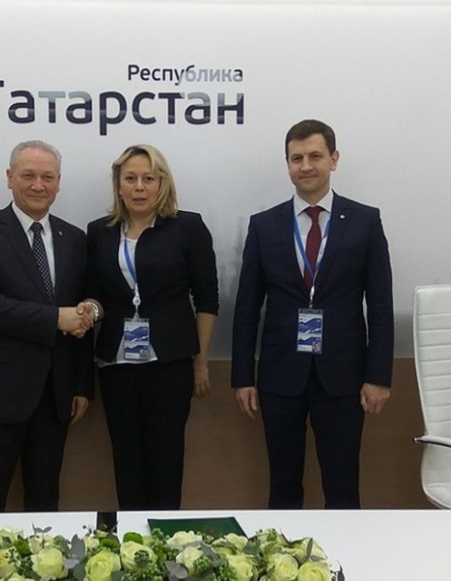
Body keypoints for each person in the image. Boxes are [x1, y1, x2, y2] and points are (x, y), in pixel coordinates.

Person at [231, 119, 394, 509]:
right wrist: (242, 376)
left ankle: (345, 548)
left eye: (315, 156)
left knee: (342, 485)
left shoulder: (365, 221)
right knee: (283, 484)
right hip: (280, 376)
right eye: (296, 158)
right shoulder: (264, 225)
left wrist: (378, 376)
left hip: (343, 376)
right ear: (287, 164)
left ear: (334, 159)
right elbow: (247, 307)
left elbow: (381, 305)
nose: (306, 166)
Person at [0, 140, 97, 512]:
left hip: (55, 395)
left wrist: (81, 384)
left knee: (45, 504)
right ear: (9, 177)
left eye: (47, 177)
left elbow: (86, 304)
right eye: (28, 175)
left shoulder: (74, 238)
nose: (38, 185)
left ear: (59, 182)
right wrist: (56, 318)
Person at [86, 144, 218, 510]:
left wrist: (201, 362)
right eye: (130, 178)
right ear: (119, 184)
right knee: (126, 458)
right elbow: (95, 296)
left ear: (163, 183)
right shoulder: (99, 232)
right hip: (116, 365)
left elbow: (207, 300)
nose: (139, 187)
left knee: (166, 458)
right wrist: (88, 309)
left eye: (148, 178)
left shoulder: (187, 227)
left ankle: (165, 537)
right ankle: (131, 538)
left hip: (170, 364)